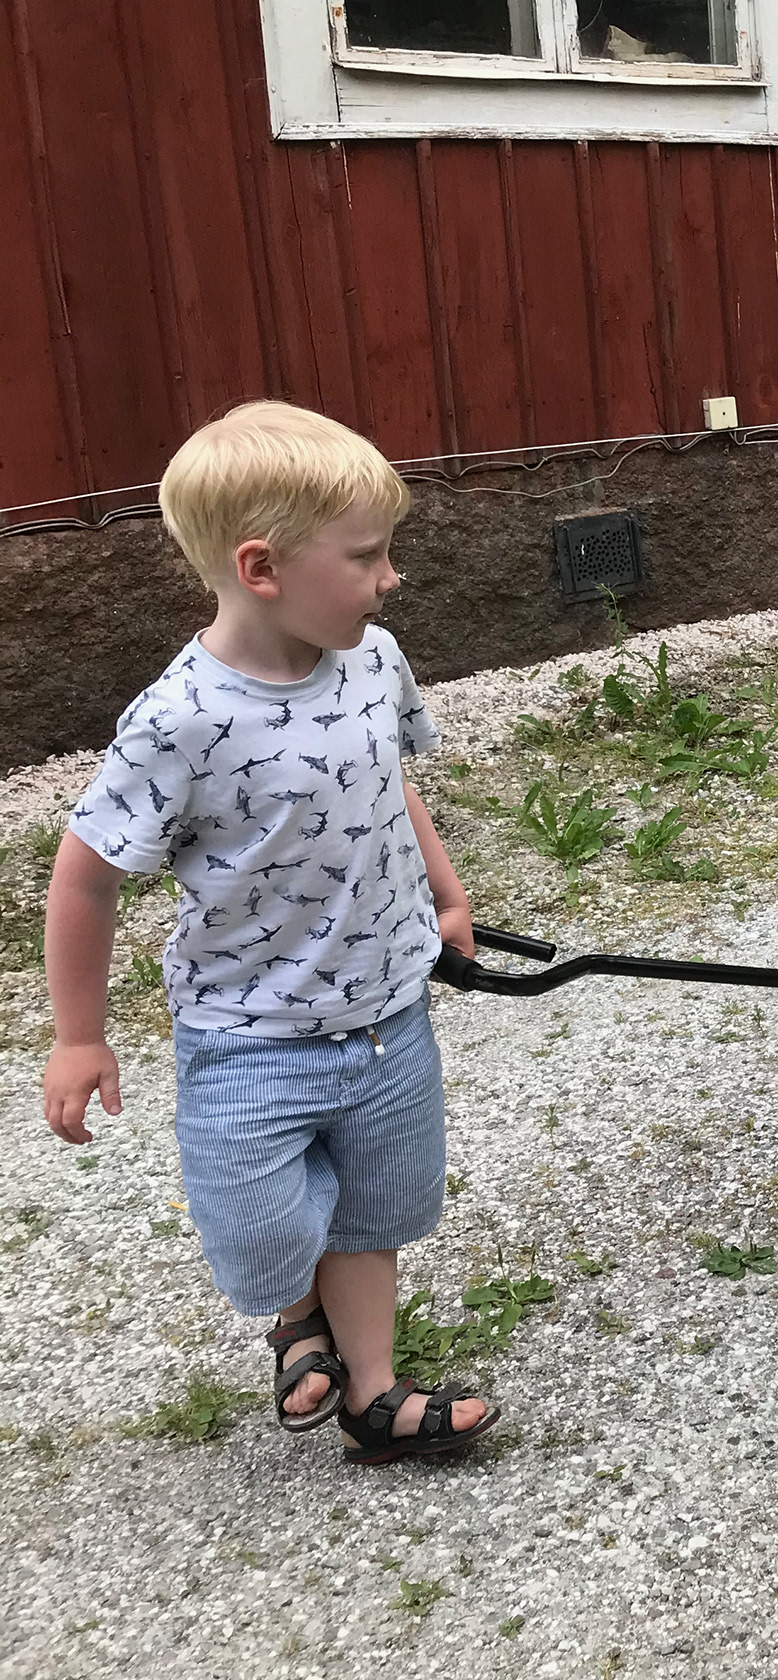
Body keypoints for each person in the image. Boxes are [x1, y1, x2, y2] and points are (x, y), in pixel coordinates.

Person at [40, 401, 499, 1466]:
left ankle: (374, 1394)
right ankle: (297, 1320)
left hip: (386, 1017)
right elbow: (85, 879)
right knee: (265, 1229)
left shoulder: (374, 662)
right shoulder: (180, 721)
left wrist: (445, 895)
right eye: (367, 556)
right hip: (247, 1037)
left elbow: (387, 784)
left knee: (372, 1214)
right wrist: (78, 1035)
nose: (391, 578)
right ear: (262, 569)